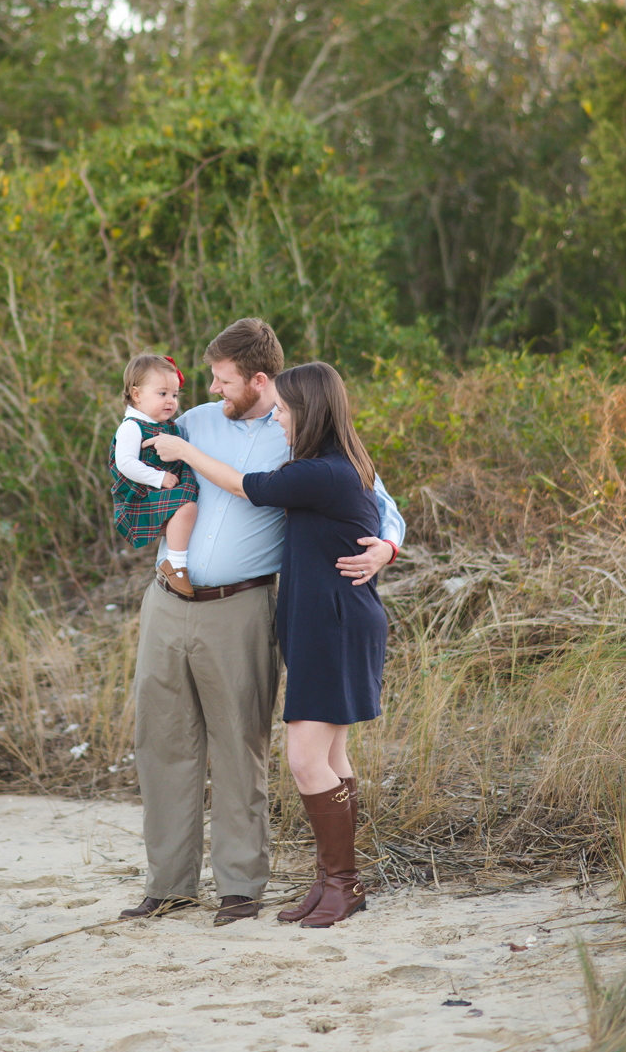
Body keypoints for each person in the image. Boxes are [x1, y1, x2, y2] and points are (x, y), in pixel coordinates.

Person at [119, 318, 404, 927]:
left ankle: (240, 888)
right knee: (161, 742)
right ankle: (168, 885)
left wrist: (386, 547)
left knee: (240, 745)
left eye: (224, 382)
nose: (213, 392)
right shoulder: (191, 419)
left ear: (259, 380)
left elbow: (381, 503)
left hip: (242, 605)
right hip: (168, 599)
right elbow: (135, 442)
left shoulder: (300, 432)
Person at [109, 354, 200, 598]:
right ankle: (176, 565)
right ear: (137, 395)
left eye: (175, 394)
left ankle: (176, 560)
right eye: (162, 394)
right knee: (188, 507)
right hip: (139, 494)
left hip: (158, 489)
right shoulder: (131, 426)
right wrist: (158, 478)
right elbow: (125, 463)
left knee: (190, 508)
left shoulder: (165, 424)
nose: (171, 401)